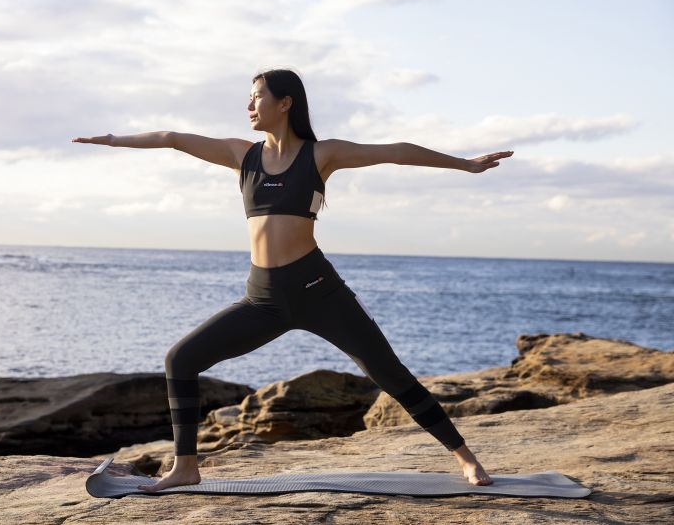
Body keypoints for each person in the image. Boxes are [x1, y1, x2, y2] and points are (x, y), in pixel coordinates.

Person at [71, 68, 510, 492]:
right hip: (262, 298)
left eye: (257, 95)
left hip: (318, 291)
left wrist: (464, 165)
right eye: (249, 96)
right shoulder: (242, 155)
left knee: (389, 373)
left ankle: (464, 456)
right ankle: (186, 467)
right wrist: (111, 140)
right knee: (180, 360)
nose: (249, 104)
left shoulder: (321, 154)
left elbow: (395, 150)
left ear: (285, 102)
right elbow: (171, 138)